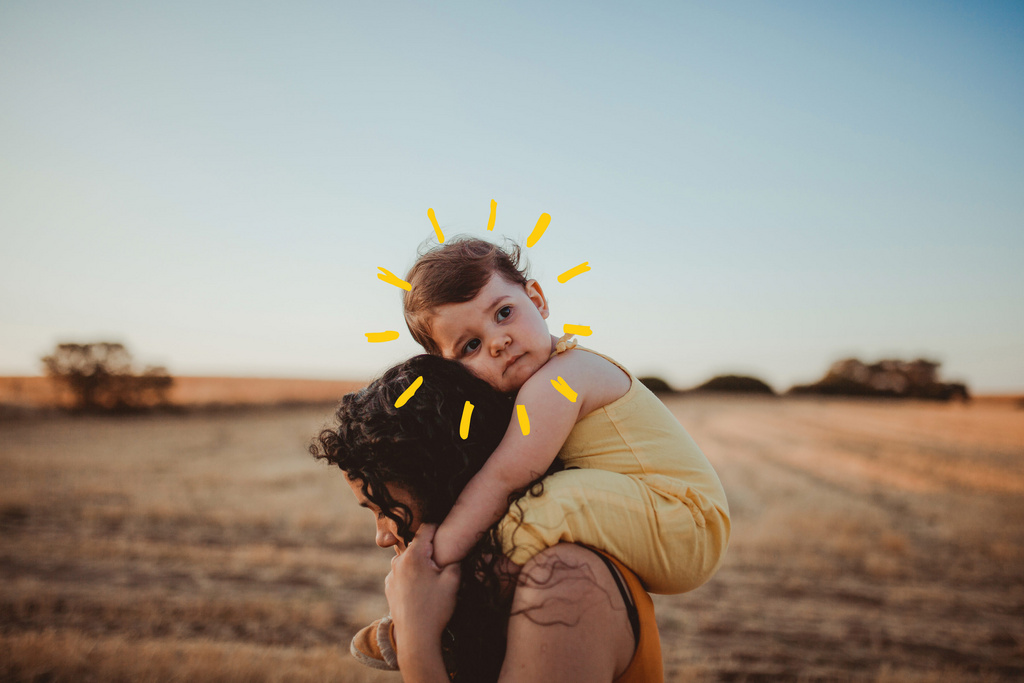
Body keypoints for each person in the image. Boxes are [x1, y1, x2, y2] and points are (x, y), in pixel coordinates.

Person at [401, 236, 731, 594]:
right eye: (471, 346)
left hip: (685, 524)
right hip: (660, 517)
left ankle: (446, 597)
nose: (498, 342)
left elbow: (503, 480)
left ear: (538, 300)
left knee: (547, 501)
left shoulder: (560, 378)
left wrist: (437, 555)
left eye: (503, 313)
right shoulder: (542, 380)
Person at [312, 355, 663, 681]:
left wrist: (415, 636)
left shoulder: (564, 583)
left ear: (446, 486)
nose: (383, 537)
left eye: (387, 510)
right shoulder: (495, 584)